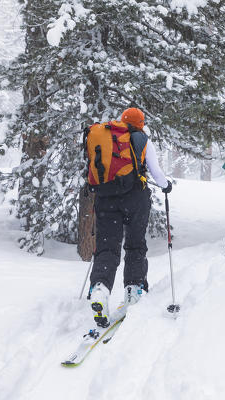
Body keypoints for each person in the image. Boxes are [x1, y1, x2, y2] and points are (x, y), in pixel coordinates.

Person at [86, 107, 172, 328]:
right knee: (135, 245)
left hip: (105, 199)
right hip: (134, 198)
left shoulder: (105, 136)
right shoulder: (142, 140)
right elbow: (156, 172)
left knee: (107, 248)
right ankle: (133, 290)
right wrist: (166, 186)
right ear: (140, 123)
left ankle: (100, 289)